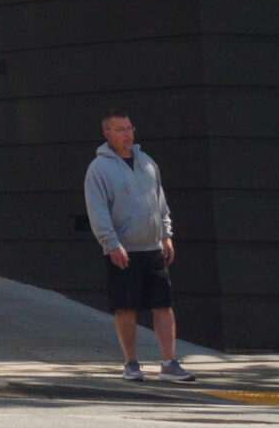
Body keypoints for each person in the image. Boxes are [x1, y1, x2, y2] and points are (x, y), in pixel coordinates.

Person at [85, 109, 195, 382]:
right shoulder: (99, 168)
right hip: (123, 249)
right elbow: (97, 210)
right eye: (120, 129)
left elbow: (160, 201)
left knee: (163, 305)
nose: (127, 134)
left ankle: (169, 363)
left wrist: (166, 235)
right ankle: (131, 363)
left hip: (152, 246)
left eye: (129, 128)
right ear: (107, 134)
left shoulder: (147, 163)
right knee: (125, 307)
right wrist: (111, 244)